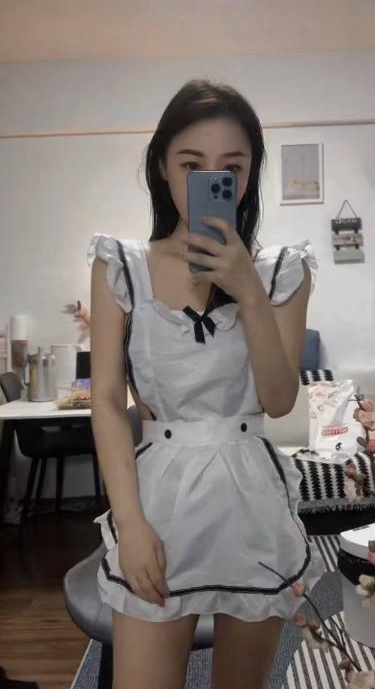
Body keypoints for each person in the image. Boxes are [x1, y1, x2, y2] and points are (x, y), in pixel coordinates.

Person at [87, 79, 321, 689]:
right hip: (158, 502)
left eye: (231, 167)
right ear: (162, 168)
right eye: (191, 164)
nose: (211, 179)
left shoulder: (283, 270)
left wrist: (248, 290)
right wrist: (129, 524)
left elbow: (278, 400)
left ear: (248, 176)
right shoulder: (121, 266)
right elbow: (106, 403)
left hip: (250, 501)